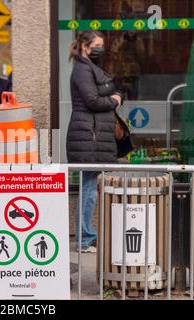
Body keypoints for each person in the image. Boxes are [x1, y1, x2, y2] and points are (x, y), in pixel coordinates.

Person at [67, 30, 123, 253]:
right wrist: (114, 99)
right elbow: (92, 100)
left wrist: (114, 95)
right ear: (85, 47)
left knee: (90, 188)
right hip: (87, 136)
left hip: (93, 135)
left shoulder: (91, 68)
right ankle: (84, 239)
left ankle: (87, 236)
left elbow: (112, 88)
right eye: (97, 44)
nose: (102, 48)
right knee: (88, 189)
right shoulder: (82, 70)